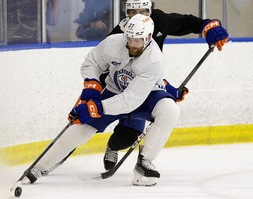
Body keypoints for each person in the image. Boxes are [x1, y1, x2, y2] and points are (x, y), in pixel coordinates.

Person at [25, 14, 180, 186]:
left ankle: (145, 162)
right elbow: (91, 62)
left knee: (169, 109)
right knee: (81, 126)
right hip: (113, 91)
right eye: (129, 38)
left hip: (146, 97)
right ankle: (39, 167)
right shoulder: (114, 42)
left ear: (149, 38)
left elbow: (131, 99)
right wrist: (92, 86)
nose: (132, 44)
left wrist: (97, 107)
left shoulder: (154, 60)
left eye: (137, 40)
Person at [102, 0, 229, 171]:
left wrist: (206, 25)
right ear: (126, 13)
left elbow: (184, 22)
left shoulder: (159, 21)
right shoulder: (119, 35)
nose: (138, 16)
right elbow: (105, 69)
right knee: (88, 121)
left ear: (150, 10)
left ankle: (112, 147)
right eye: (132, 12)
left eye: (143, 11)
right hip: (118, 88)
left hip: (143, 88)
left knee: (126, 137)